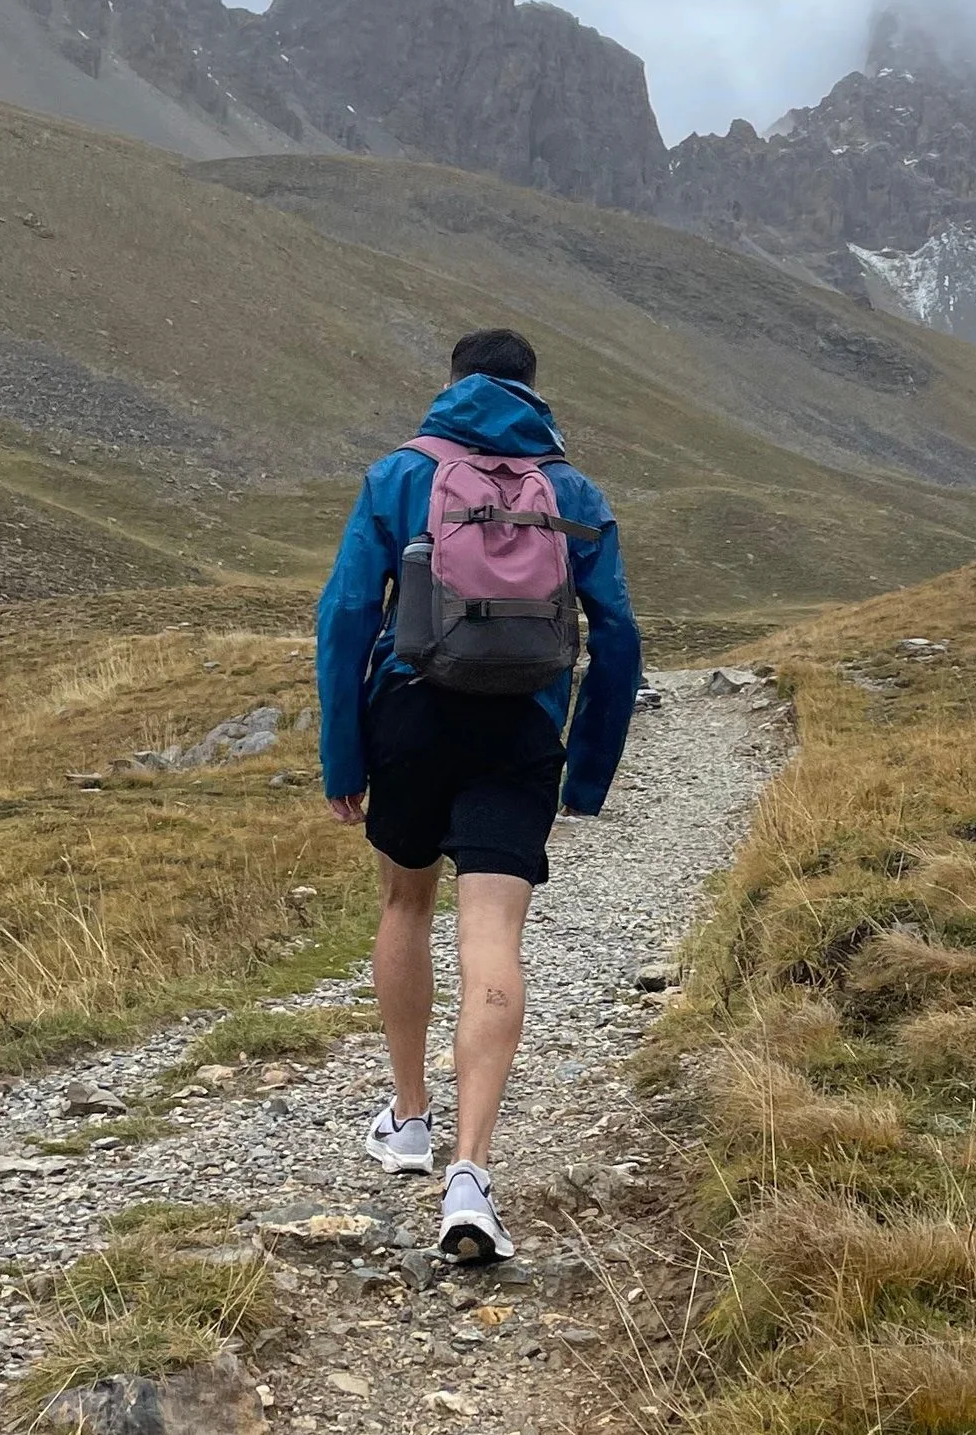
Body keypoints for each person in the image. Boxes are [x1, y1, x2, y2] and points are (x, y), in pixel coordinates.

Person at [314, 328, 642, 1261]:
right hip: (523, 728)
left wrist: (345, 757)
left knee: (403, 899)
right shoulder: (570, 492)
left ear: (450, 383)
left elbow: (343, 616)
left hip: (410, 717)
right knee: (492, 938)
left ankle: (409, 1118)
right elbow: (616, 633)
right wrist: (588, 769)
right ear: (536, 392)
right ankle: (471, 1173)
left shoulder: (400, 475)